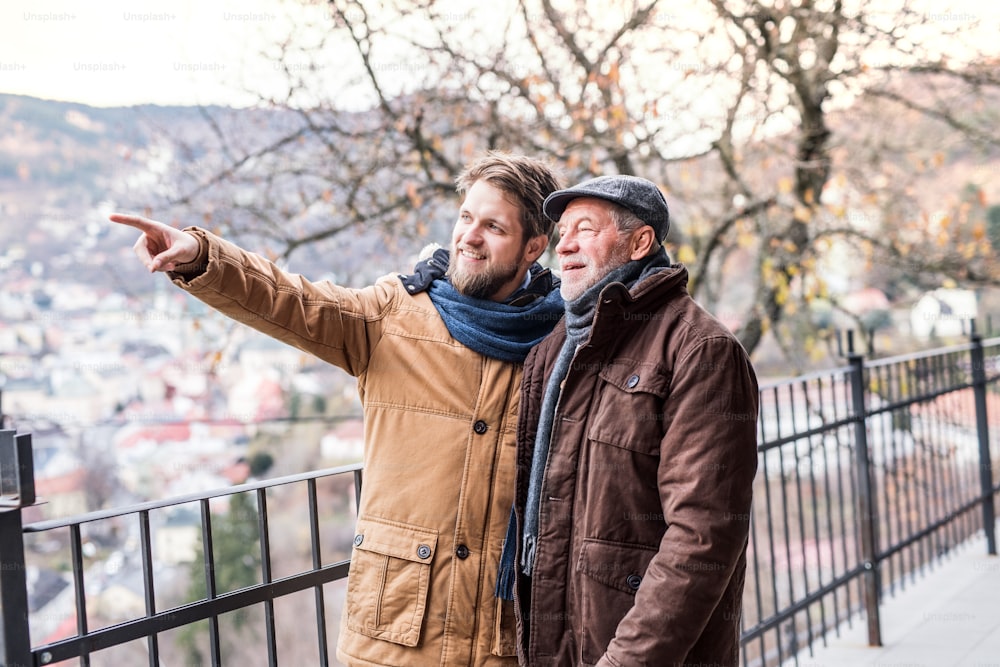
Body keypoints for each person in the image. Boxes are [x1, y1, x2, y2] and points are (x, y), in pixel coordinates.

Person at [111, 152, 565, 667]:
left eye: (493, 227)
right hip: (396, 633)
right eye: (465, 217)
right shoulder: (394, 313)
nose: (470, 236)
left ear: (534, 247)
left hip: (504, 641)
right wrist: (202, 256)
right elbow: (290, 300)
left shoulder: (561, 342)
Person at [510, 175, 759, 666]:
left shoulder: (699, 349)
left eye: (586, 228)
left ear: (640, 242)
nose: (566, 244)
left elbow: (702, 535)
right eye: (562, 232)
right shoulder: (555, 349)